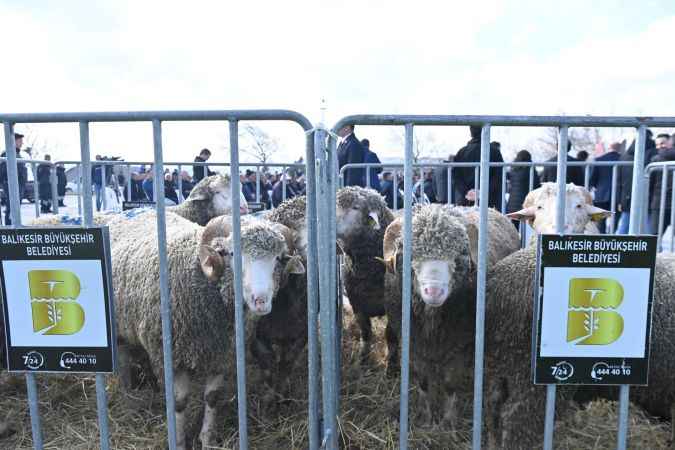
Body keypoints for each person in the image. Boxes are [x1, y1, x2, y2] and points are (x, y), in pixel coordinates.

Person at [453, 127, 504, 209]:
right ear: (486, 132)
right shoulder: (494, 151)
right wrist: (483, 192)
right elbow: (499, 176)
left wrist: (466, 191)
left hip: (466, 201)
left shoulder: (461, 152)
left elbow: (456, 176)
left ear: (470, 133)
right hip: (489, 201)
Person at [616, 130, 656, 234]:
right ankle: (653, 248)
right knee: (647, 225)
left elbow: (618, 181)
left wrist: (619, 200)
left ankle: (618, 244)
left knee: (624, 225)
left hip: (627, 196)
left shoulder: (624, 157)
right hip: (646, 196)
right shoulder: (650, 156)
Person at [589, 142, 621, 233]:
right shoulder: (623, 159)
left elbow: (592, 179)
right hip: (617, 196)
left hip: (601, 196)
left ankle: (601, 239)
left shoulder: (599, 160)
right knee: (615, 220)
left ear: (608, 148)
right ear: (620, 149)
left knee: (600, 222)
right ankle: (612, 238)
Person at [648, 134, 675, 235]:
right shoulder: (655, 159)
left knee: (654, 237)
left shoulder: (655, 160)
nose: (659, 147)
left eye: (662, 143)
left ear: (670, 142)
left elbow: (650, 183)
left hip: (658, 202)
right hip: (661, 202)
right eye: (657, 144)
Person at [506, 150, 541, 228]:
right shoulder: (530, 169)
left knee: (515, 226)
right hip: (526, 202)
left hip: (512, 203)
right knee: (534, 224)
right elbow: (537, 185)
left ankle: (516, 240)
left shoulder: (513, 169)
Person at [0, 133, 27, 224]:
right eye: (19, 141)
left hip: (18, 184)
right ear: (13, 141)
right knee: (11, 206)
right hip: (11, 184)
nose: (21, 143)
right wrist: (7, 182)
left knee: (16, 206)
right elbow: (3, 171)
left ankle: (15, 223)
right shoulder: (8, 152)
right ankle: (10, 226)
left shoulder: (16, 153)